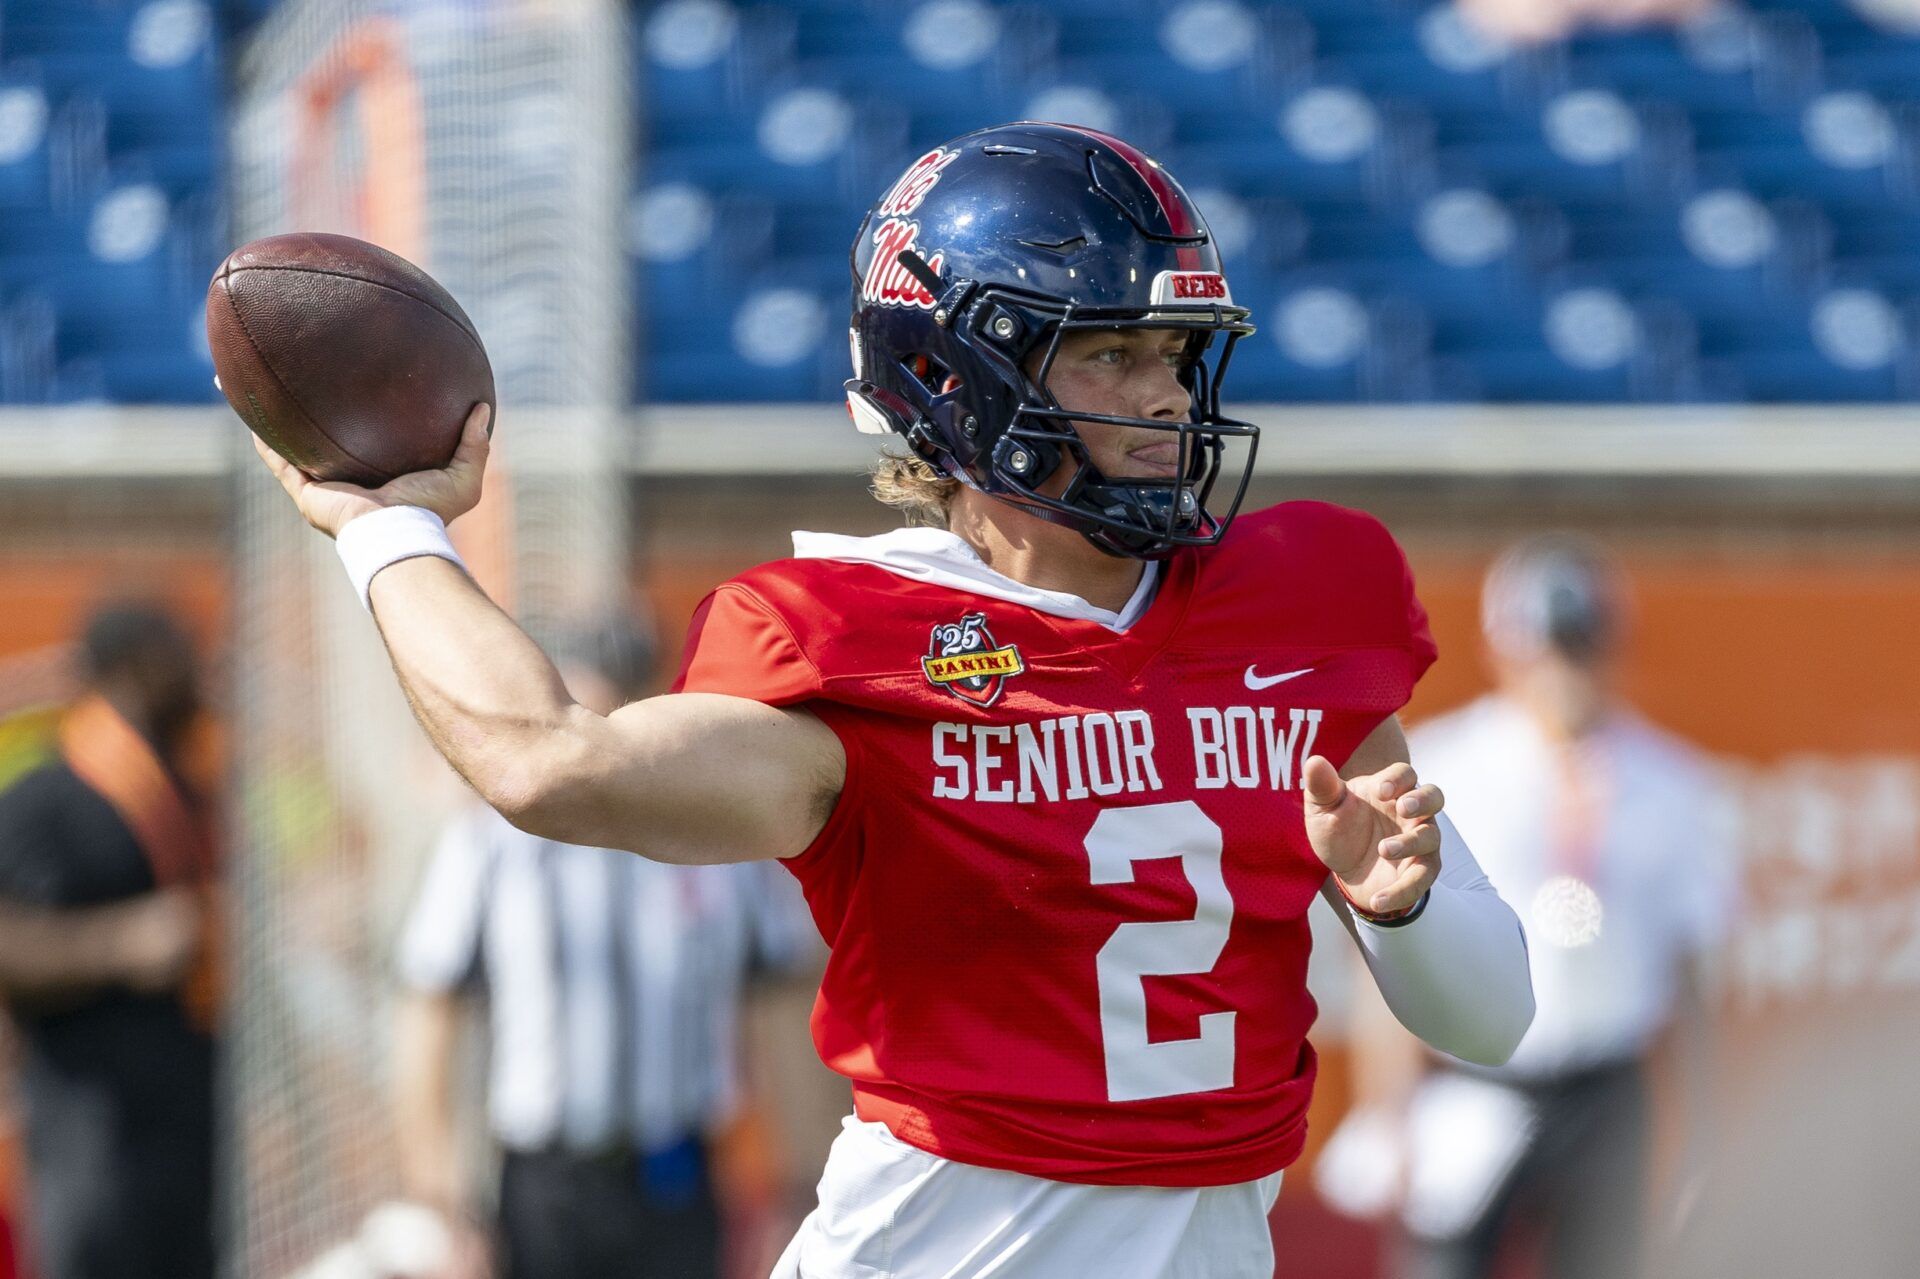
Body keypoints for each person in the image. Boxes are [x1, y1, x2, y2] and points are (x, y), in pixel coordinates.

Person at [252, 122, 1536, 1277]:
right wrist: (383, 529)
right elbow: (551, 763)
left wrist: (1404, 905)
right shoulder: (849, 644)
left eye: (1172, 353)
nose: (1160, 396)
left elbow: (1493, 1013)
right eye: (1106, 354)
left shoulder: (1304, 601)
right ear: (955, 378)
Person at [1316, 536, 1736, 1279]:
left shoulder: (1676, 783)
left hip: (1608, 1084)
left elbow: (1696, 975)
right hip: (1476, 1085)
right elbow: (1397, 951)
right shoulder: (1451, 763)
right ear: (1505, 650)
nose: (1566, 672)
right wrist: (1393, 1113)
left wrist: (1706, 1134)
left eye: (1581, 646)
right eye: (1549, 648)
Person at [391, 616, 807, 1279]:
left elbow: (780, 1005)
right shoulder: (491, 840)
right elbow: (430, 1009)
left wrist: (797, 1187)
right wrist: (440, 1196)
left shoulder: (721, 838)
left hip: (680, 1168)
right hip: (547, 1180)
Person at [0, 604, 219, 1279]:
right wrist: (122, 943)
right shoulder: (48, 795)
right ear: (129, 669)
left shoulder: (182, 791)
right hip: (91, 1129)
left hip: (187, 1122)